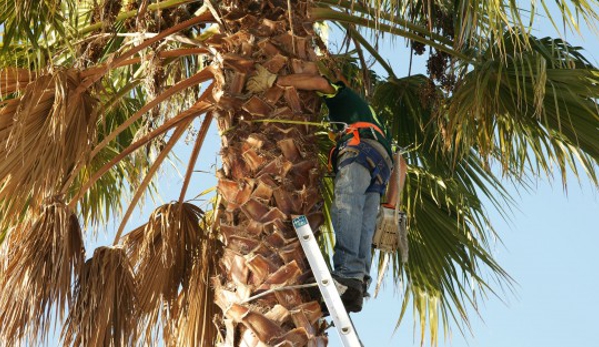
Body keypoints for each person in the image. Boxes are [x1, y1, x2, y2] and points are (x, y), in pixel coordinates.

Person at [247, 65, 400, 313]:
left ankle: (347, 275)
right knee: (364, 221)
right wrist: (391, 205)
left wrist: (276, 79)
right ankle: (357, 284)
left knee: (347, 204)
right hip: (382, 167)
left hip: (360, 150)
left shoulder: (345, 96)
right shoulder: (376, 119)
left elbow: (319, 83)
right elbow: (399, 160)